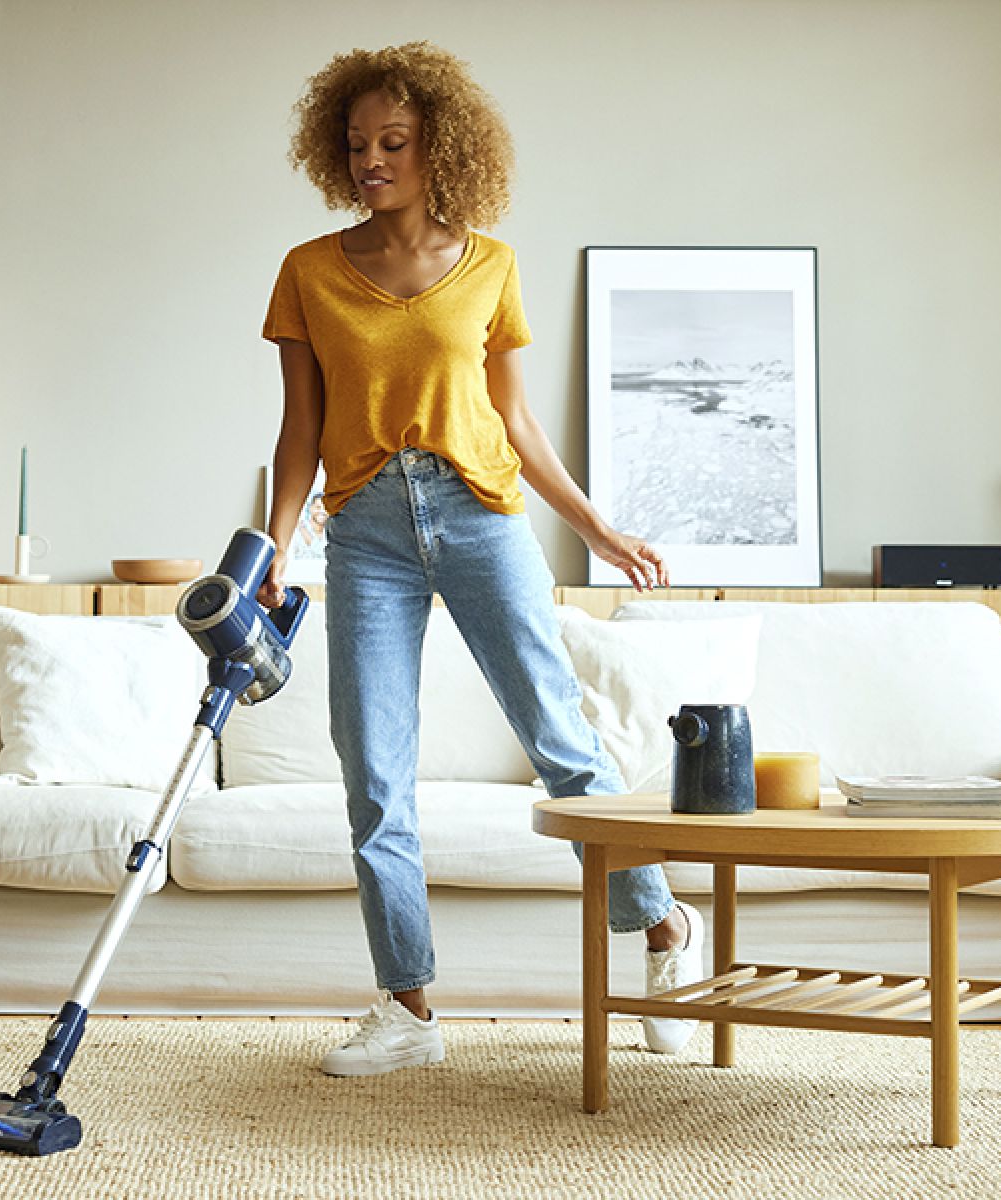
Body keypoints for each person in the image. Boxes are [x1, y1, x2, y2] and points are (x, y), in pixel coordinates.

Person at [258, 41, 702, 1077]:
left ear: (438, 148)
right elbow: (296, 430)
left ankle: (665, 931)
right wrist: (271, 551)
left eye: (395, 143)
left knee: (562, 739)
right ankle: (408, 1008)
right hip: (364, 528)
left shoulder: (491, 264)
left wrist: (595, 527)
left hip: (482, 515)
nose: (374, 160)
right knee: (372, 770)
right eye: (359, 143)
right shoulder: (309, 272)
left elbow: (514, 420)